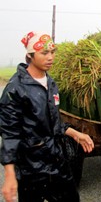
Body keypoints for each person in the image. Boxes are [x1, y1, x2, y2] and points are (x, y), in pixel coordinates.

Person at [0, 31, 94, 202]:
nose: (50, 57)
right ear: (30, 55)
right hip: (31, 167)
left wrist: (76, 134)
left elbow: (54, 121)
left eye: (52, 52)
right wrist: (10, 175)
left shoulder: (50, 83)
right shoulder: (16, 89)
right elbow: (10, 135)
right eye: (44, 53)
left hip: (56, 160)